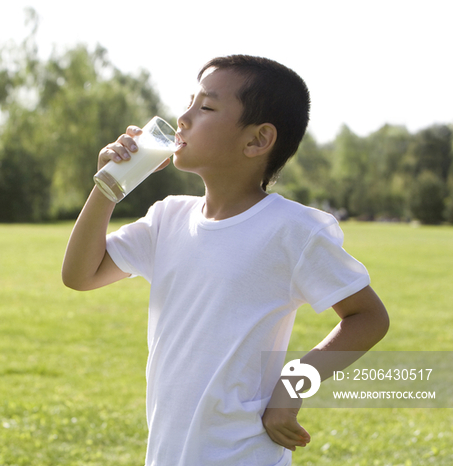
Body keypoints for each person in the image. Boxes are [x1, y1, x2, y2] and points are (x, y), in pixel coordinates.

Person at [61, 55, 389, 466]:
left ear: (256, 141)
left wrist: (291, 388)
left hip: (242, 453)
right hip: (170, 453)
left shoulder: (292, 230)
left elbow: (368, 317)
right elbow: (80, 274)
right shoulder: (167, 218)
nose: (182, 117)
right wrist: (109, 184)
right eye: (189, 102)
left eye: (206, 107)